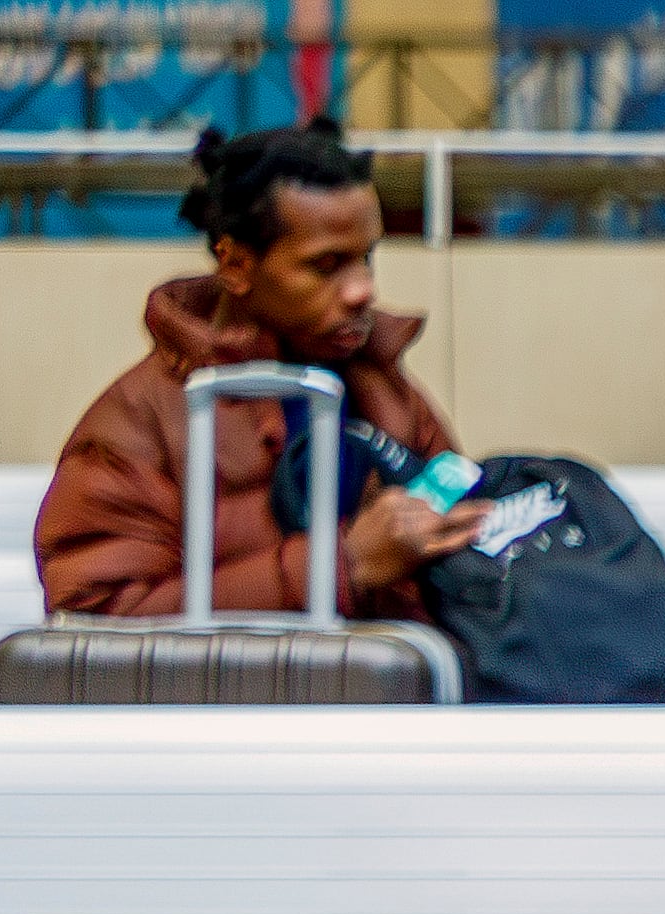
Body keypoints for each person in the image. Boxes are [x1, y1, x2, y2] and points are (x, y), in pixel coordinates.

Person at [39, 117, 486, 618]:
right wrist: (343, 565)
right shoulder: (140, 421)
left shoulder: (387, 391)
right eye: (325, 264)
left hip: (375, 694)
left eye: (367, 258)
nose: (364, 290)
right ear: (235, 265)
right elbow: (97, 620)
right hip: (235, 697)